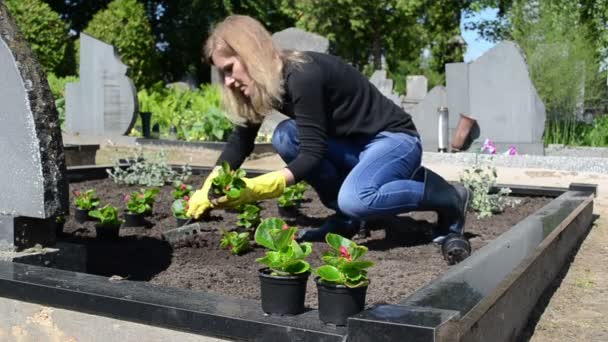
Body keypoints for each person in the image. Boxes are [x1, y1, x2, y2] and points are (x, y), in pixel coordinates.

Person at [186, 15, 470, 254]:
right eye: (222, 73)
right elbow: (241, 142)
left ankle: (448, 196)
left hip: (393, 140)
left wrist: (258, 187)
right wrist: (209, 186)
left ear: (250, 54)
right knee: (285, 136)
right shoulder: (265, 86)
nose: (228, 81)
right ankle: (346, 219)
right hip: (353, 147)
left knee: (357, 198)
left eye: (229, 69)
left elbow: (311, 154)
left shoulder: (302, 74)